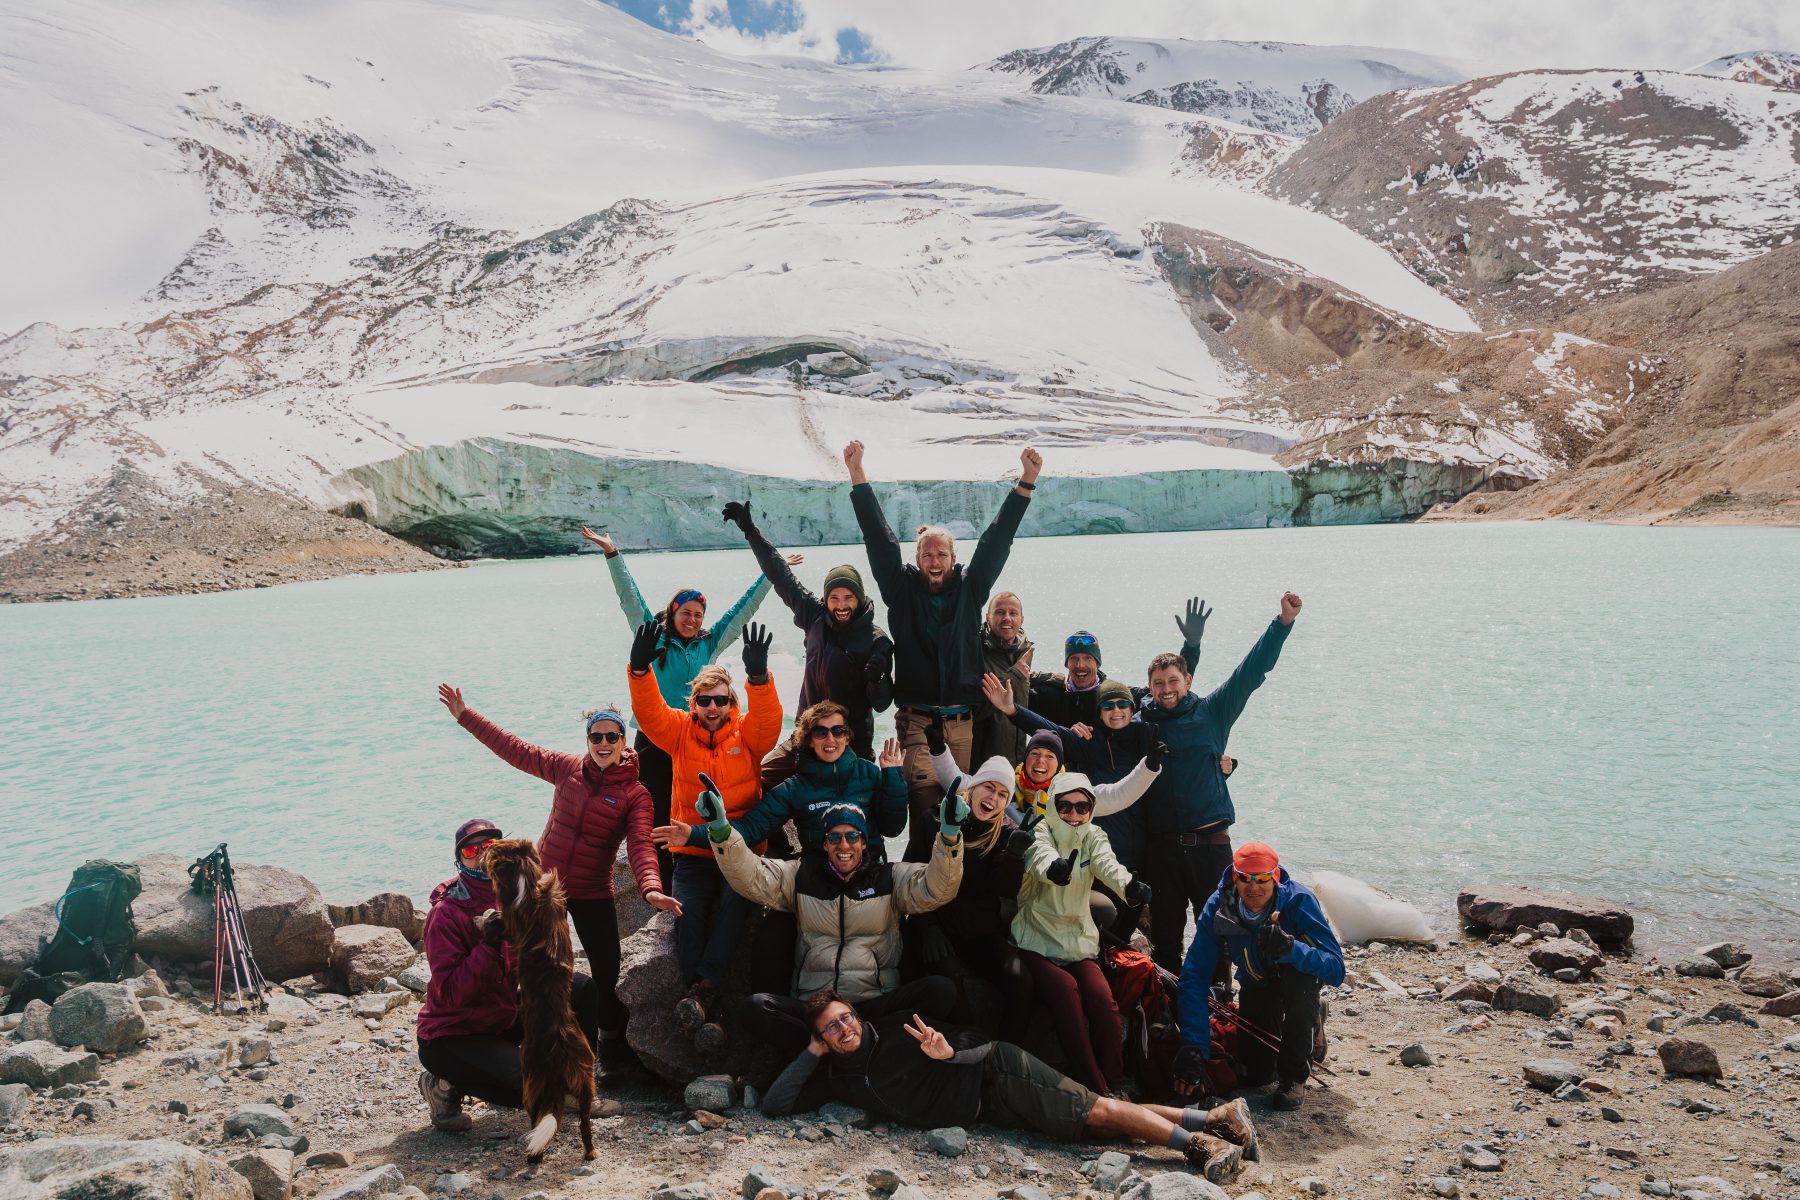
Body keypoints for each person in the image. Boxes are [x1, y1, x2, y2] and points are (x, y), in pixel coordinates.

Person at [763, 991, 1258, 1184]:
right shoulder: (839, 1079)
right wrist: (812, 1055)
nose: (845, 1029)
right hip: (991, 1110)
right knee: (1096, 1115)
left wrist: (949, 1052)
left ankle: (1198, 1145)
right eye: (832, 1028)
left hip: (999, 1073)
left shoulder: (897, 1028)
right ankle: (1216, 1119)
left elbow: (981, 1036)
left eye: (846, 1017)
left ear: (858, 1013)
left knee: (1097, 1116)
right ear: (822, 1037)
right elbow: (775, 1105)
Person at [436, 687, 679, 1078]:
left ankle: (611, 1050)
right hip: (544, 888)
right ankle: (527, 1040)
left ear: (623, 742)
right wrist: (466, 716)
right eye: (596, 736)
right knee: (541, 967)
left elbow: (641, 846)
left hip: (593, 891)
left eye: (611, 737)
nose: (603, 743)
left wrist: (650, 887)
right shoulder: (566, 768)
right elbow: (515, 749)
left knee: (606, 973)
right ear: (588, 741)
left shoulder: (636, 795)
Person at [844, 439, 1041, 861]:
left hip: (962, 725)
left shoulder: (971, 592)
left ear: (953, 559)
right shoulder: (900, 590)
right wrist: (858, 476)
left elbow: (995, 541)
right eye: (927, 554)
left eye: (943, 554)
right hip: (917, 721)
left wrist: (1025, 482)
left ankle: (950, 896)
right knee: (928, 810)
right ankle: (916, 902)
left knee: (960, 810)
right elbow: (878, 540)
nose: (935, 560)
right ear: (918, 558)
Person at [697, 788, 963, 1065]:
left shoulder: (889, 878)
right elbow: (751, 876)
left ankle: (827, 1051)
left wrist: (949, 836)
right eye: (834, 837)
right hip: (817, 1006)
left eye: (852, 836)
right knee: (754, 1008)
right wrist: (721, 830)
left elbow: (937, 889)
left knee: (941, 990)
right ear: (824, 844)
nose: (843, 845)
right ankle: (849, 1047)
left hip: (873, 1002)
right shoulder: (800, 877)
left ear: (863, 843)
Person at [580, 525, 774, 887]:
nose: (693, 619)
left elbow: (741, 611)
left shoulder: (708, 644)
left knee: (697, 809)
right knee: (654, 810)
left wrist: (770, 573)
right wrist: (612, 554)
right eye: (686, 612)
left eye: (698, 614)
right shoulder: (654, 637)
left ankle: (704, 868)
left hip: (694, 739)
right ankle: (661, 883)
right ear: (672, 612)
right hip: (654, 738)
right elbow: (630, 598)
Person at [632, 621, 783, 1051]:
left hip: (739, 847)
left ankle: (701, 993)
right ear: (694, 704)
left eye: (720, 700)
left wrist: (759, 679)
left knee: (735, 906)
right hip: (694, 850)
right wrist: (641, 672)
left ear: (731, 702)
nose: (712, 707)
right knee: (688, 914)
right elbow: (649, 714)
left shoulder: (747, 733)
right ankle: (706, 998)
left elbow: (770, 722)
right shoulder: (679, 731)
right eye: (704, 700)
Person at [416, 819, 616, 1131]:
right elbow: (451, 992)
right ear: (459, 860)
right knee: (525, 1088)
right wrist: (489, 944)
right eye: (471, 849)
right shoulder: (446, 914)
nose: (482, 855)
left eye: (490, 846)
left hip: (500, 1015)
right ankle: (444, 1084)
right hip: (454, 1033)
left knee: (581, 989)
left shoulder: (513, 895)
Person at [1140, 592, 1302, 975]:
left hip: (1210, 845)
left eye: (1173, 681)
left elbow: (1251, 672)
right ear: (1149, 686)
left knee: (1219, 929)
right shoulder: (1139, 723)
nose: (1166, 689)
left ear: (1188, 680)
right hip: (1160, 849)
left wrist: (1282, 624)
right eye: (1158, 683)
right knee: (1165, 935)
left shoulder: (1213, 711)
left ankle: (1220, 1001)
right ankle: (1169, 1008)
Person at [980, 673, 1168, 941]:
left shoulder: (1146, 735)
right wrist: (1012, 710)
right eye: (1107, 705)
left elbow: (1174, 727)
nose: (1116, 711)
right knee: (1103, 920)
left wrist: (1217, 767)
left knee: (1130, 923)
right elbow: (1048, 732)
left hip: (1137, 849)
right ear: (1099, 712)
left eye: (1122, 704)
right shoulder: (1086, 746)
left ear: (1131, 708)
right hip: (1094, 854)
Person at [720, 501, 894, 777]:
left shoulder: (877, 641)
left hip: (850, 745)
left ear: (859, 599)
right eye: (834, 598)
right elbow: (781, 575)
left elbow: (882, 703)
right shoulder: (815, 616)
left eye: (848, 598)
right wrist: (750, 531)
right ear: (826, 599)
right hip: (805, 736)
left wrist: (877, 680)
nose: (841, 605)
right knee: (756, 778)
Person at [1174, 842, 1344, 1112]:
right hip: (1257, 982)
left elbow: (1336, 970)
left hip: (1298, 980)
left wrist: (1291, 948)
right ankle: (1309, 1026)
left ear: (1275, 877)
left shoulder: (1299, 901)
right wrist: (1195, 1048)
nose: (1254, 887)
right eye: (1245, 879)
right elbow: (1194, 977)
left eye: (1263, 878)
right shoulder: (1220, 907)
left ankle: (1294, 1076)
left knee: (1299, 986)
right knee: (1256, 1076)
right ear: (1234, 877)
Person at [1011, 773, 1151, 1096]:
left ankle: (1115, 1082)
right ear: (1053, 806)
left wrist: (1129, 886)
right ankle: (1095, 1089)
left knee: (1103, 1000)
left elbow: (1107, 864)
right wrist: (1055, 869)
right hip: (1036, 938)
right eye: (1065, 806)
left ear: (1091, 808)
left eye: (1082, 807)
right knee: (1067, 991)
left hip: (1078, 939)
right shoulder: (1040, 831)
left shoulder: (1094, 836)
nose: (1074, 814)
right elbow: (1038, 857)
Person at [905, 756, 1033, 1030]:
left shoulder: (1004, 834)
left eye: (1002, 794)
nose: (993, 798)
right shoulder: (934, 819)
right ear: (972, 787)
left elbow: (1004, 890)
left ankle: (1008, 1056)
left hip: (980, 930)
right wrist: (927, 928)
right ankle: (965, 1055)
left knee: (1019, 978)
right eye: (988, 787)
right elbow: (908, 877)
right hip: (936, 925)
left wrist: (1014, 856)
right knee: (954, 987)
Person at [927, 717, 1158, 826]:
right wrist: (938, 749)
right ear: (1026, 758)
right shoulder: (1006, 786)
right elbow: (958, 783)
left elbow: (1118, 795)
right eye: (1035, 753)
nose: (1041, 761)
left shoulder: (1070, 793)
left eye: (1050, 757)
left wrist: (1150, 766)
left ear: (1059, 765)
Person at [1026, 601, 1208, 729]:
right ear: (1067, 664)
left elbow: (1166, 690)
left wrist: (1191, 646)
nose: (1080, 665)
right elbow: (1010, 696)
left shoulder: (1120, 697)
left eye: (1088, 658)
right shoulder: (1048, 695)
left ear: (1097, 663)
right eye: (1074, 659)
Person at [973, 592, 1033, 764]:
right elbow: (974, 711)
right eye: (1000, 612)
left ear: (1021, 620)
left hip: (1017, 761)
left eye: (1013, 613)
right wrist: (1014, 677)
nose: (1007, 618)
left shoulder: (1023, 651)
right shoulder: (976, 651)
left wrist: (1060, 680)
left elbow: (1026, 678)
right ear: (988, 617)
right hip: (982, 763)